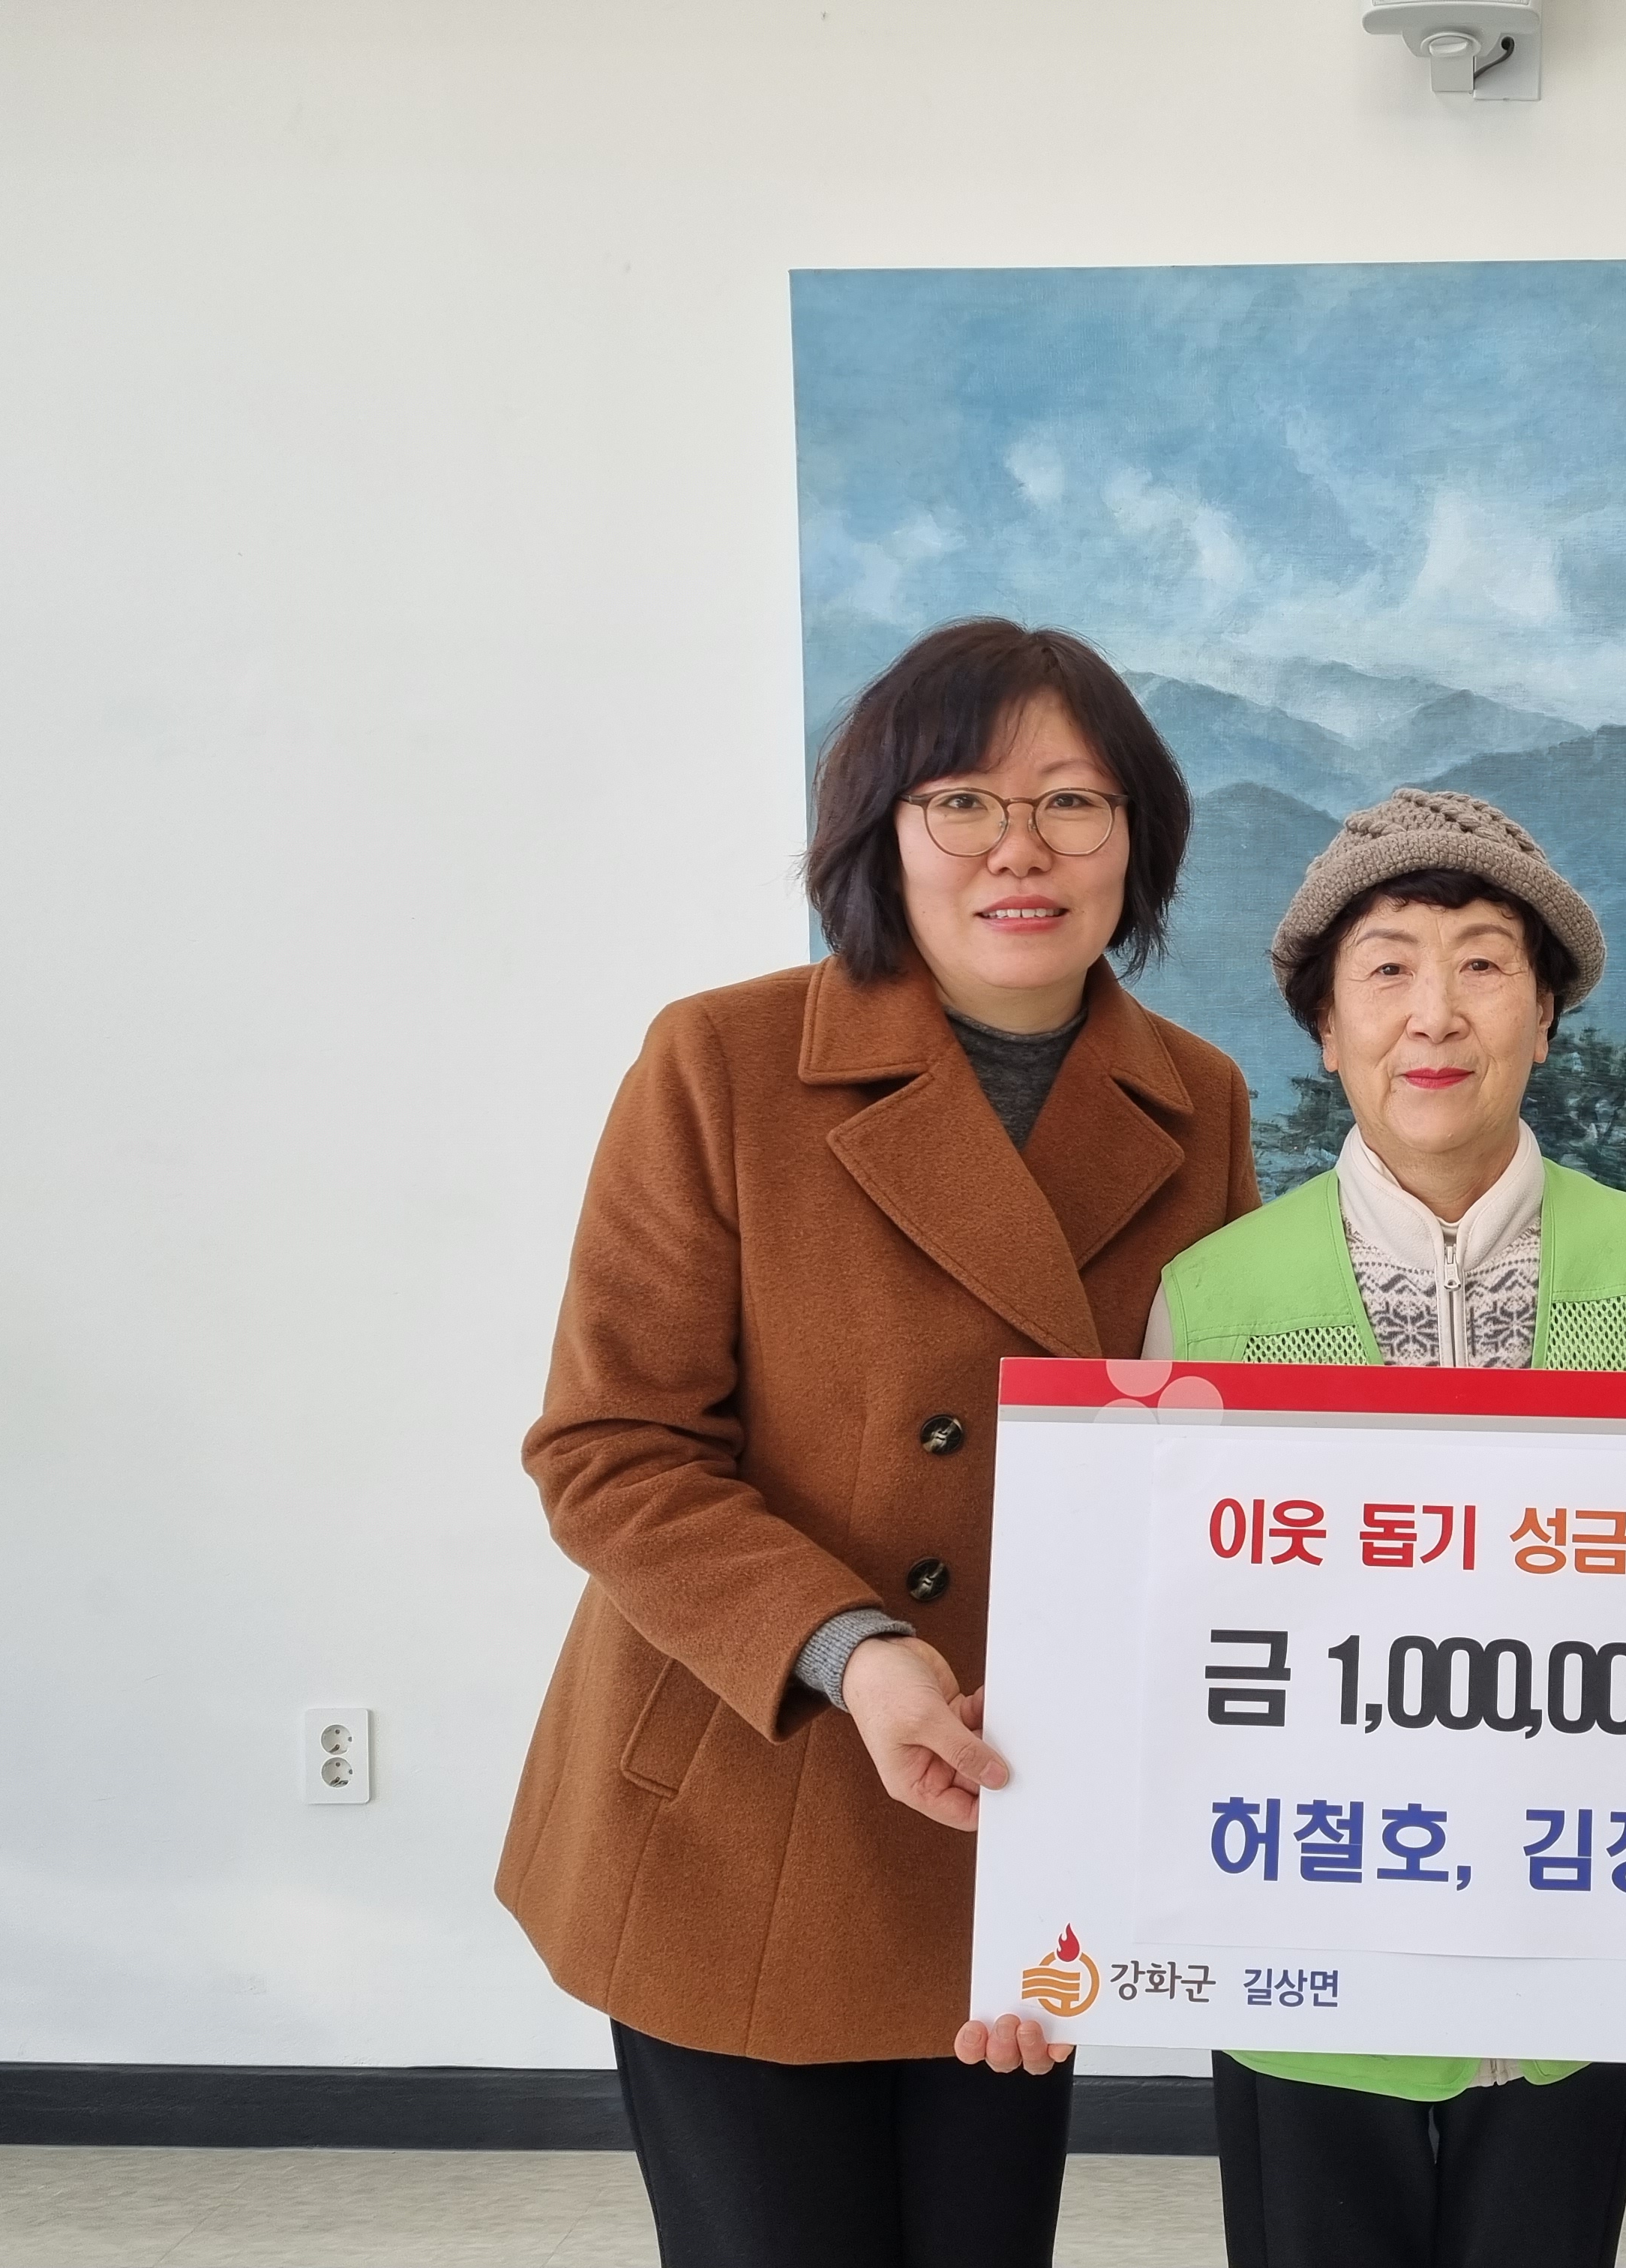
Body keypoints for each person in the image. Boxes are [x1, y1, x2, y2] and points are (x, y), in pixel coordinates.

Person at [496, 620, 1258, 2268]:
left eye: (1074, 802)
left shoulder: (1196, 1100)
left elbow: (1205, 1470)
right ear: (879, 832)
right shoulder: (721, 1060)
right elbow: (611, 1448)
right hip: (754, 1779)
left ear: (1138, 838)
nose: (1020, 850)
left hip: (1014, 1809)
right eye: (962, 801)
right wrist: (857, 1652)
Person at [1142, 788, 1626, 2268]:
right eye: (1387, 968)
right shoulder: (1214, 1296)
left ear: (1545, 1016)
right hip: (1305, 1963)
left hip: (1583, 1949)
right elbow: (1164, 1644)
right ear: (1325, 1026)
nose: (1435, 1012)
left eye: (1485, 963)